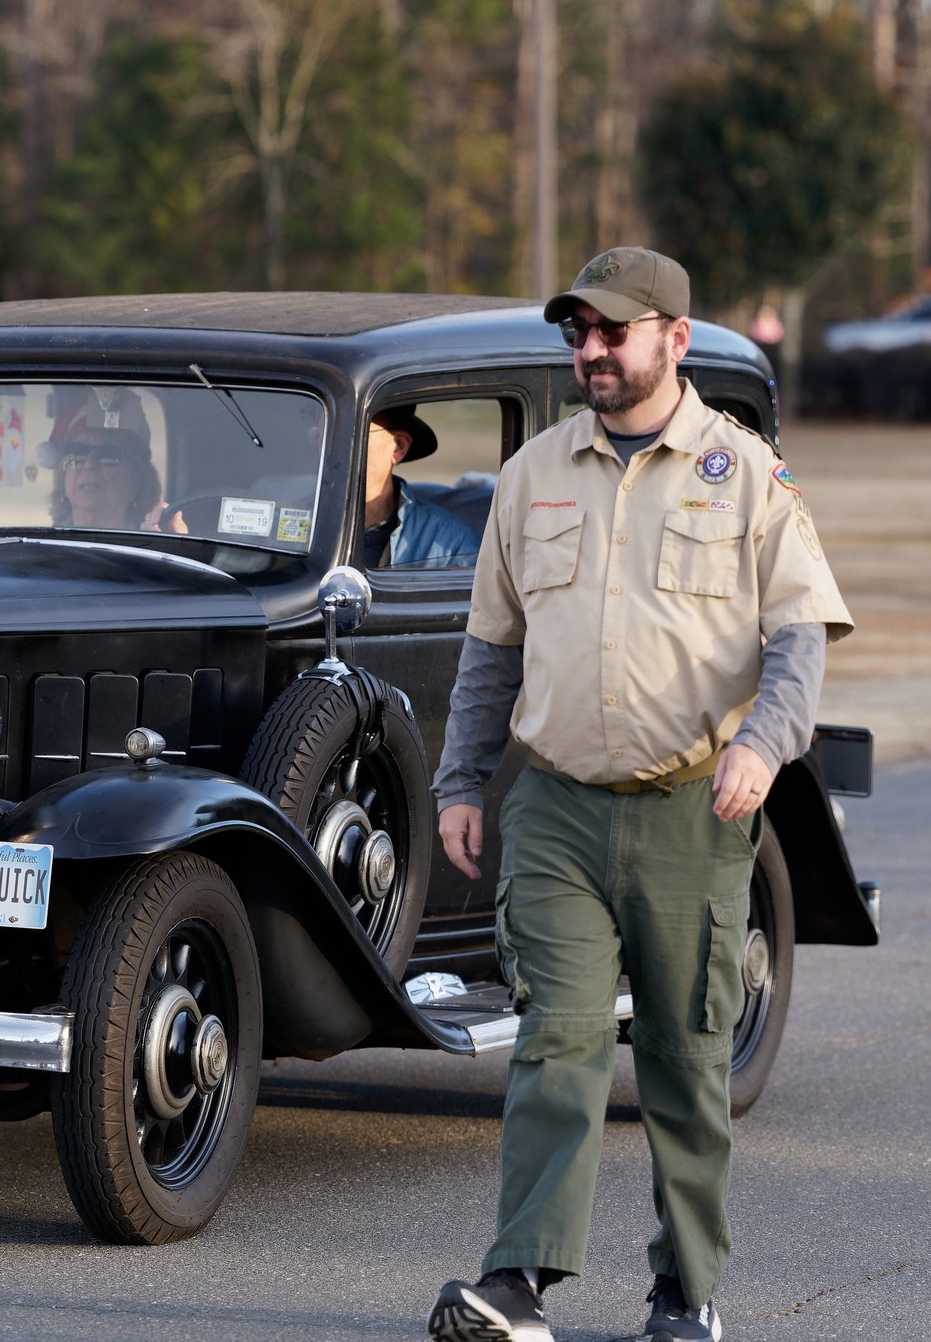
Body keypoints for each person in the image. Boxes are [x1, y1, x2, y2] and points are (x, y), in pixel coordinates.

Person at [423, 248, 853, 1342]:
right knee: (554, 1043)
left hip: (690, 811)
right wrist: (460, 779)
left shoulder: (745, 473)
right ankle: (516, 1283)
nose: (589, 352)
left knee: (681, 1060)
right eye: (577, 332)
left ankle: (684, 1290)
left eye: (610, 332)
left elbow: (798, 636)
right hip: (554, 808)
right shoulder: (532, 474)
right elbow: (489, 650)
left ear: (673, 335)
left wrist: (763, 744)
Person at [363, 405, 483, 568]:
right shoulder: (314, 527)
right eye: (321, 431)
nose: (326, 445)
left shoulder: (454, 548)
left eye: (354, 433)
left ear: (398, 446)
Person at [44, 388, 163, 530]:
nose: (89, 464)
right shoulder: (46, 546)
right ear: (62, 480)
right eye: (79, 452)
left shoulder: (153, 547)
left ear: (137, 482)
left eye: (108, 454)